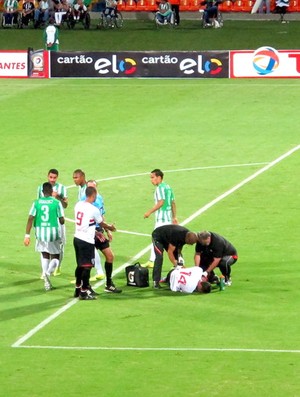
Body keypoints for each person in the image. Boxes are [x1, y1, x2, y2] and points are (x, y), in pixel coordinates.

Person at [73, 186, 118, 300]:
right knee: (87, 267)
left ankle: (78, 288)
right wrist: (111, 228)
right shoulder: (93, 209)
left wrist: (96, 232)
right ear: (93, 195)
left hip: (77, 238)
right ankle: (84, 292)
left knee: (80, 266)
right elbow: (101, 223)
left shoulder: (78, 205)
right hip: (86, 241)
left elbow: (87, 222)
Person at [24, 182, 65, 291]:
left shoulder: (36, 203)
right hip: (53, 233)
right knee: (56, 256)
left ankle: (46, 280)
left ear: (42, 192)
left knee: (44, 254)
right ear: (52, 191)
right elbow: (62, 220)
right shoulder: (56, 203)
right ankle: (47, 273)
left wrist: (27, 235)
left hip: (40, 233)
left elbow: (30, 218)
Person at [143, 169, 177, 268]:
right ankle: (178, 263)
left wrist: (149, 212)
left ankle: (152, 261)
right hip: (168, 220)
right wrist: (174, 217)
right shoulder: (168, 187)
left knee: (156, 239)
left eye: (152, 177)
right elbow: (173, 202)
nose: (151, 180)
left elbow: (161, 202)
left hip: (161, 220)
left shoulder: (160, 188)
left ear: (159, 177)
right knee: (169, 242)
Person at [37, 168, 68, 276]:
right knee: (44, 246)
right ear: (47, 176)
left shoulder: (62, 188)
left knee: (60, 245)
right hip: (45, 222)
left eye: (54, 177)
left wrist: (58, 196)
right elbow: (39, 205)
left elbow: (65, 205)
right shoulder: (41, 188)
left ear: (57, 177)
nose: (52, 179)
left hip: (59, 221)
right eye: (50, 177)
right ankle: (45, 271)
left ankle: (57, 267)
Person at [151, 224, 200, 289]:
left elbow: (179, 249)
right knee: (159, 257)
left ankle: (171, 278)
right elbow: (170, 252)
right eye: (190, 243)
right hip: (158, 237)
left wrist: (180, 262)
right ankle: (156, 281)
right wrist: (176, 264)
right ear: (187, 240)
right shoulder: (177, 236)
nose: (191, 245)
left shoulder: (188, 235)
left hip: (168, 238)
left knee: (178, 258)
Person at [81, 179, 106, 281]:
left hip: (97, 228)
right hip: (91, 228)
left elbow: (102, 215)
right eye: (89, 187)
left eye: (93, 187)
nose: (91, 189)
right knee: (92, 250)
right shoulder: (84, 199)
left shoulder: (98, 199)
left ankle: (99, 272)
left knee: (92, 251)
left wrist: (107, 230)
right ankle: (99, 272)